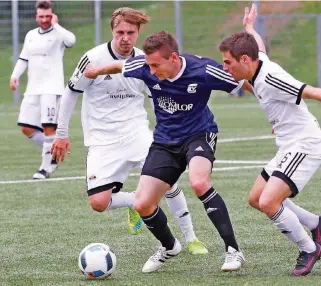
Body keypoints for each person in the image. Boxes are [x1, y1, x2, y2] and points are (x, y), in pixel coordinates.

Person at [84, 31, 247, 273]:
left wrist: (273, 107)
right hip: (165, 141)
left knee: (199, 182)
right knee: (142, 204)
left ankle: (234, 251)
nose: (150, 71)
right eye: (148, 65)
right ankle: (169, 246)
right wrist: (97, 72)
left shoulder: (202, 70)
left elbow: (243, 78)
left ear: (173, 57)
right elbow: (121, 65)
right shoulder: (144, 66)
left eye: (156, 65)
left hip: (198, 134)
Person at [51, 7, 208, 255]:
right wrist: (61, 134)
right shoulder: (93, 58)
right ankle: (135, 202)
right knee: (98, 203)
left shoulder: (146, 61)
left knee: (168, 182)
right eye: (120, 32)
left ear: (138, 33)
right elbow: (71, 92)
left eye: (131, 32)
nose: (125, 37)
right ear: (112, 31)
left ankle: (191, 238)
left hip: (137, 134)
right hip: (102, 140)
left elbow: (159, 96)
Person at [219, 4, 321, 276]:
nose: (226, 67)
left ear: (245, 60)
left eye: (228, 62)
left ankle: (309, 248)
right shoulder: (255, 66)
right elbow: (260, 48)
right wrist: (250, 29)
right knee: (257, 198)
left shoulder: (271, 77)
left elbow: (309, 91)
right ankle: (317, 224)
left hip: (305, 144)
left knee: (269, 202)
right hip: (289, 143)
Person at [9, 1, 76, 179]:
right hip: (32, 89)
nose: (44, 19)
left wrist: (56, 25)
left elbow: (71, 40)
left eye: (48, 16)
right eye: (41, 16)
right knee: (25, 127)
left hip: (51, 89)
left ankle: (45, 168)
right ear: (36, 16)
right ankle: (54, 150)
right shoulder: (31, 35)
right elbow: (24, 58)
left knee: (48, 128)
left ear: (53, 15)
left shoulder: (59, 34)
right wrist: (15, 76)